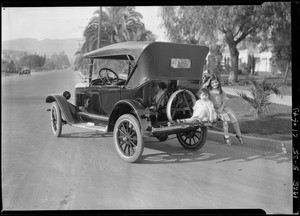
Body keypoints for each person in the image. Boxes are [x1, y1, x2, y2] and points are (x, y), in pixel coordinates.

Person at [205, 74, 245, 145]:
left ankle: (239, 135)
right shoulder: (209, 92)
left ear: (219, 82)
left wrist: (221, 108)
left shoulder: (221, 91)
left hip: (223, 107)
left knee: (234, 118)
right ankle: (226, 136)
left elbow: (224, 101)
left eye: (216, 82)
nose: (215, 84)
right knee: (225, 119)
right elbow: (205, 97)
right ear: (210, 84)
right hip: (215, 109)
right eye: (213, 83)